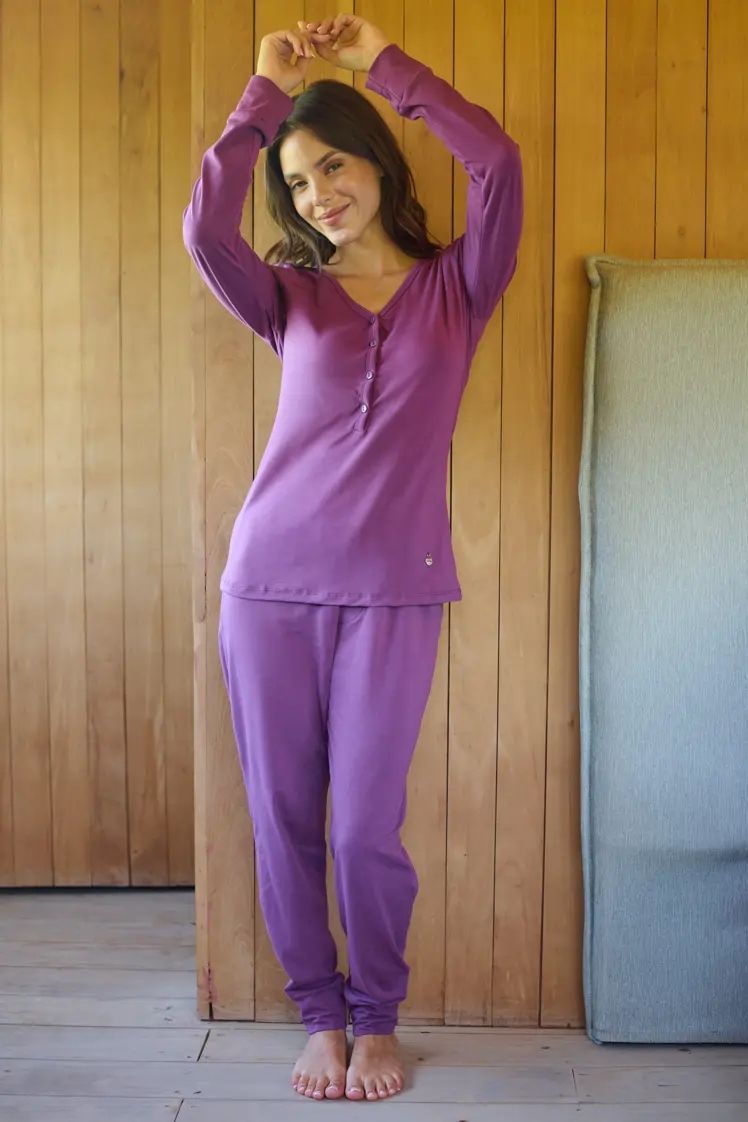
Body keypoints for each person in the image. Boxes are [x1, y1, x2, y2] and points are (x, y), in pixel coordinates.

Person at [184, 12, 522, 1104]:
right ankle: (321, 1018)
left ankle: (378, 1018)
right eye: (297, 180)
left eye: (333, 164)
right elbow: (204, 230)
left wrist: (381, 64)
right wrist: (262, 96)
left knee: (366, 825)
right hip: (266, 587)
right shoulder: (290, 294)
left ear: (376, 160)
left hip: (395, 595)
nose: (319, 192)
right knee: (282, 816)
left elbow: (496, 161)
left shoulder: (459, 285)